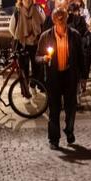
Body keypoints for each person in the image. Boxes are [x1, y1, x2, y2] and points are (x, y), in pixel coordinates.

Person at [36, 8, 85, 150]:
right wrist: (44, 58)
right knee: (54, 109)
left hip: (70, 76)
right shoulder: (46, 36)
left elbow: (81, 57)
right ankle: (54, 138)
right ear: (53, 19)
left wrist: (83, 77)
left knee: (71, 108)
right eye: (57, 16)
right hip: (54, 77)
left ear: (67, 18)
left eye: (62, 16)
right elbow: (37, 56)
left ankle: (69, 130)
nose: (60, 18)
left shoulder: (74, 35)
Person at [9, 0, 44, 81]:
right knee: (24, 68)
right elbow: (11, 28)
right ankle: (25, 88)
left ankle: (34, 85)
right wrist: (19, 37)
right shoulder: (17, 13)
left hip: (34, 43)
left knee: (36, 66)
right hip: (23, 44)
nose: (27, 0)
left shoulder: (37, 11)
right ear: (21, 1)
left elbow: (42, 23)